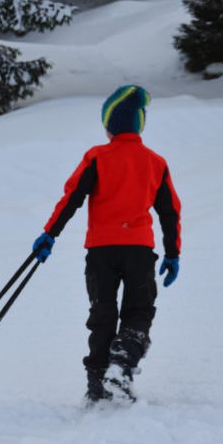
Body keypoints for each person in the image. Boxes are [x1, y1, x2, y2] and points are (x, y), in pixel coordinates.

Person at [32, 85, 181, 404]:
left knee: (103, 312)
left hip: (100, 250)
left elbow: (72, 197)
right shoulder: (155, 162)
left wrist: (50, 234)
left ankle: (98, 383)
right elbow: (169, 211)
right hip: (139, 250)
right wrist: (172, 253)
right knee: (139, 309)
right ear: (139, 123)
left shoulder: (97, 157)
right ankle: (122, 362)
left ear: (110, 125)